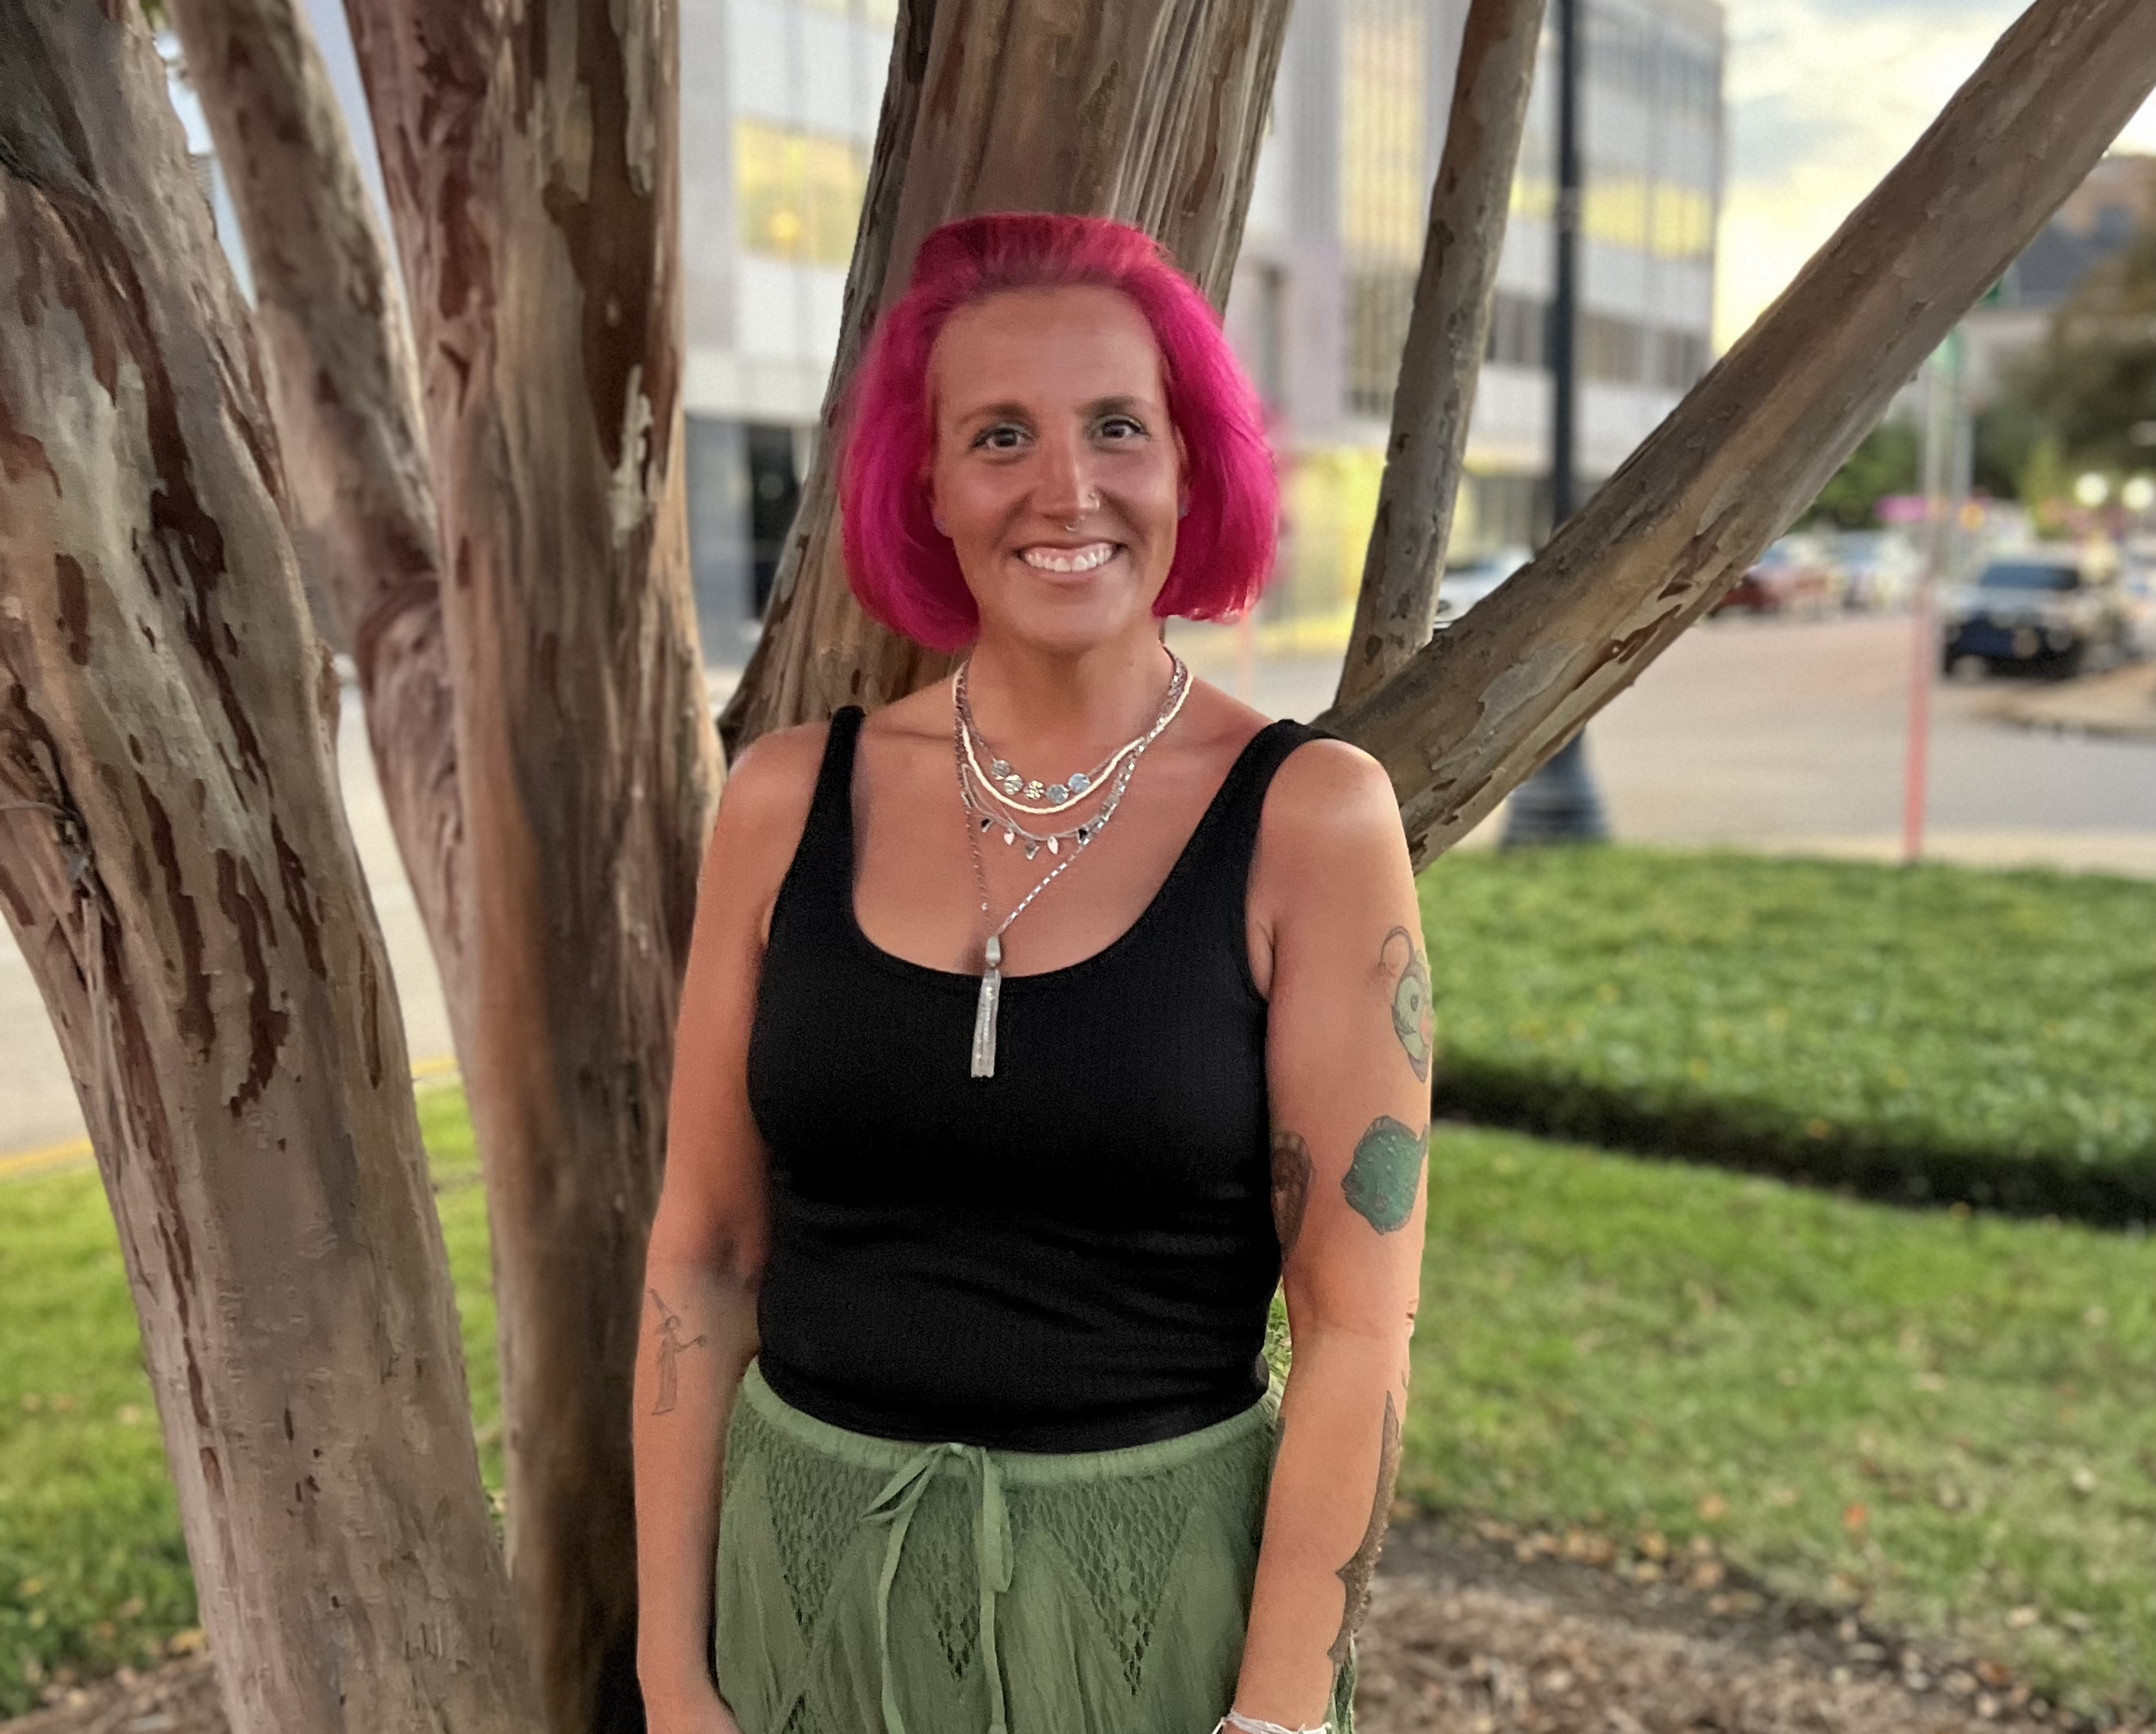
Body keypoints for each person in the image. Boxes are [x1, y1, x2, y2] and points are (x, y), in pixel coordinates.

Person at [633, 213, 1430, 1734]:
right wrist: (675, 1678)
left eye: (1119, 427)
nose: (1068, 488)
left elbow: (1356, 1325)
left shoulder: (1312, 821)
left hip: (1145, 1612)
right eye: (1001, 434)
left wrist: (1273, 1719)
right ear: (922, 485)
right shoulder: (785, 800)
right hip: (795, 1589)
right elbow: (705, 1255)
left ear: (1188, 466)